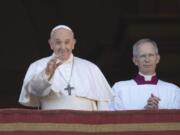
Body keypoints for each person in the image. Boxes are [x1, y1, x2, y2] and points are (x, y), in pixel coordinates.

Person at [19, 25, 113, 110]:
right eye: (58, 42)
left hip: (86, 126)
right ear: (51, 44)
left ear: (73, 44)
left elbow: (103, 102)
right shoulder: (38, 65)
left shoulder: (91, 68)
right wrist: (47, 73)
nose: (63, 47)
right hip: (53, 125)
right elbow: (35, 90)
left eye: (67, 42)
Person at [109, 38, 180, 110]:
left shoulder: (173, 91)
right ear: (135, 60)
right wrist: (145, 111)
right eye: (143, 56)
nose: (147, 60)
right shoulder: (120, 89)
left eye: (151, 55)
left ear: (157, 59)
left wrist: (158, 110)